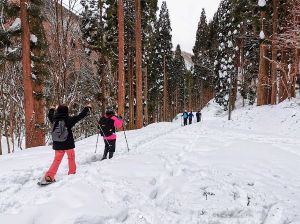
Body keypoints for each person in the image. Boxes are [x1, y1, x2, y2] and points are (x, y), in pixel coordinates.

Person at [43, 103, 91, 183]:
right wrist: (87, 108)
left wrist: (51, 109)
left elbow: (50, 116)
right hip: (68, 144)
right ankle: (72, 174)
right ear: (66, 111)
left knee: (57, 160)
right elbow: (80, 116)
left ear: (58, 111)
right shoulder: (69, 119)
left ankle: (49, 176)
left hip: (57, 144)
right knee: (71, 158)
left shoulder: (54, 119)